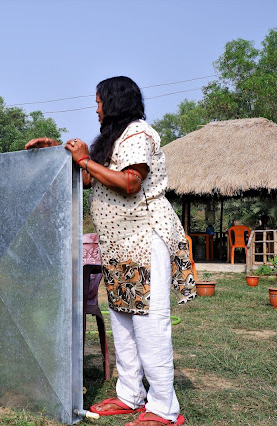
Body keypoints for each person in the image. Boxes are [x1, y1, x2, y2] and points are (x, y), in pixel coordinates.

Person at [26, 76, 195, 426]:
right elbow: (92, 178)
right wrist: (59, 150)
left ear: (114, 102)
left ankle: (164, 407)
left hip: (145, 240)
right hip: (119, 245)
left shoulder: (138, 135)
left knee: (149, 324)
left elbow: (131, 183)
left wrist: (85, 161)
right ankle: (130, 395)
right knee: (123, 322)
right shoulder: (112, 140)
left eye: (100, 100)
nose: (97, 107)